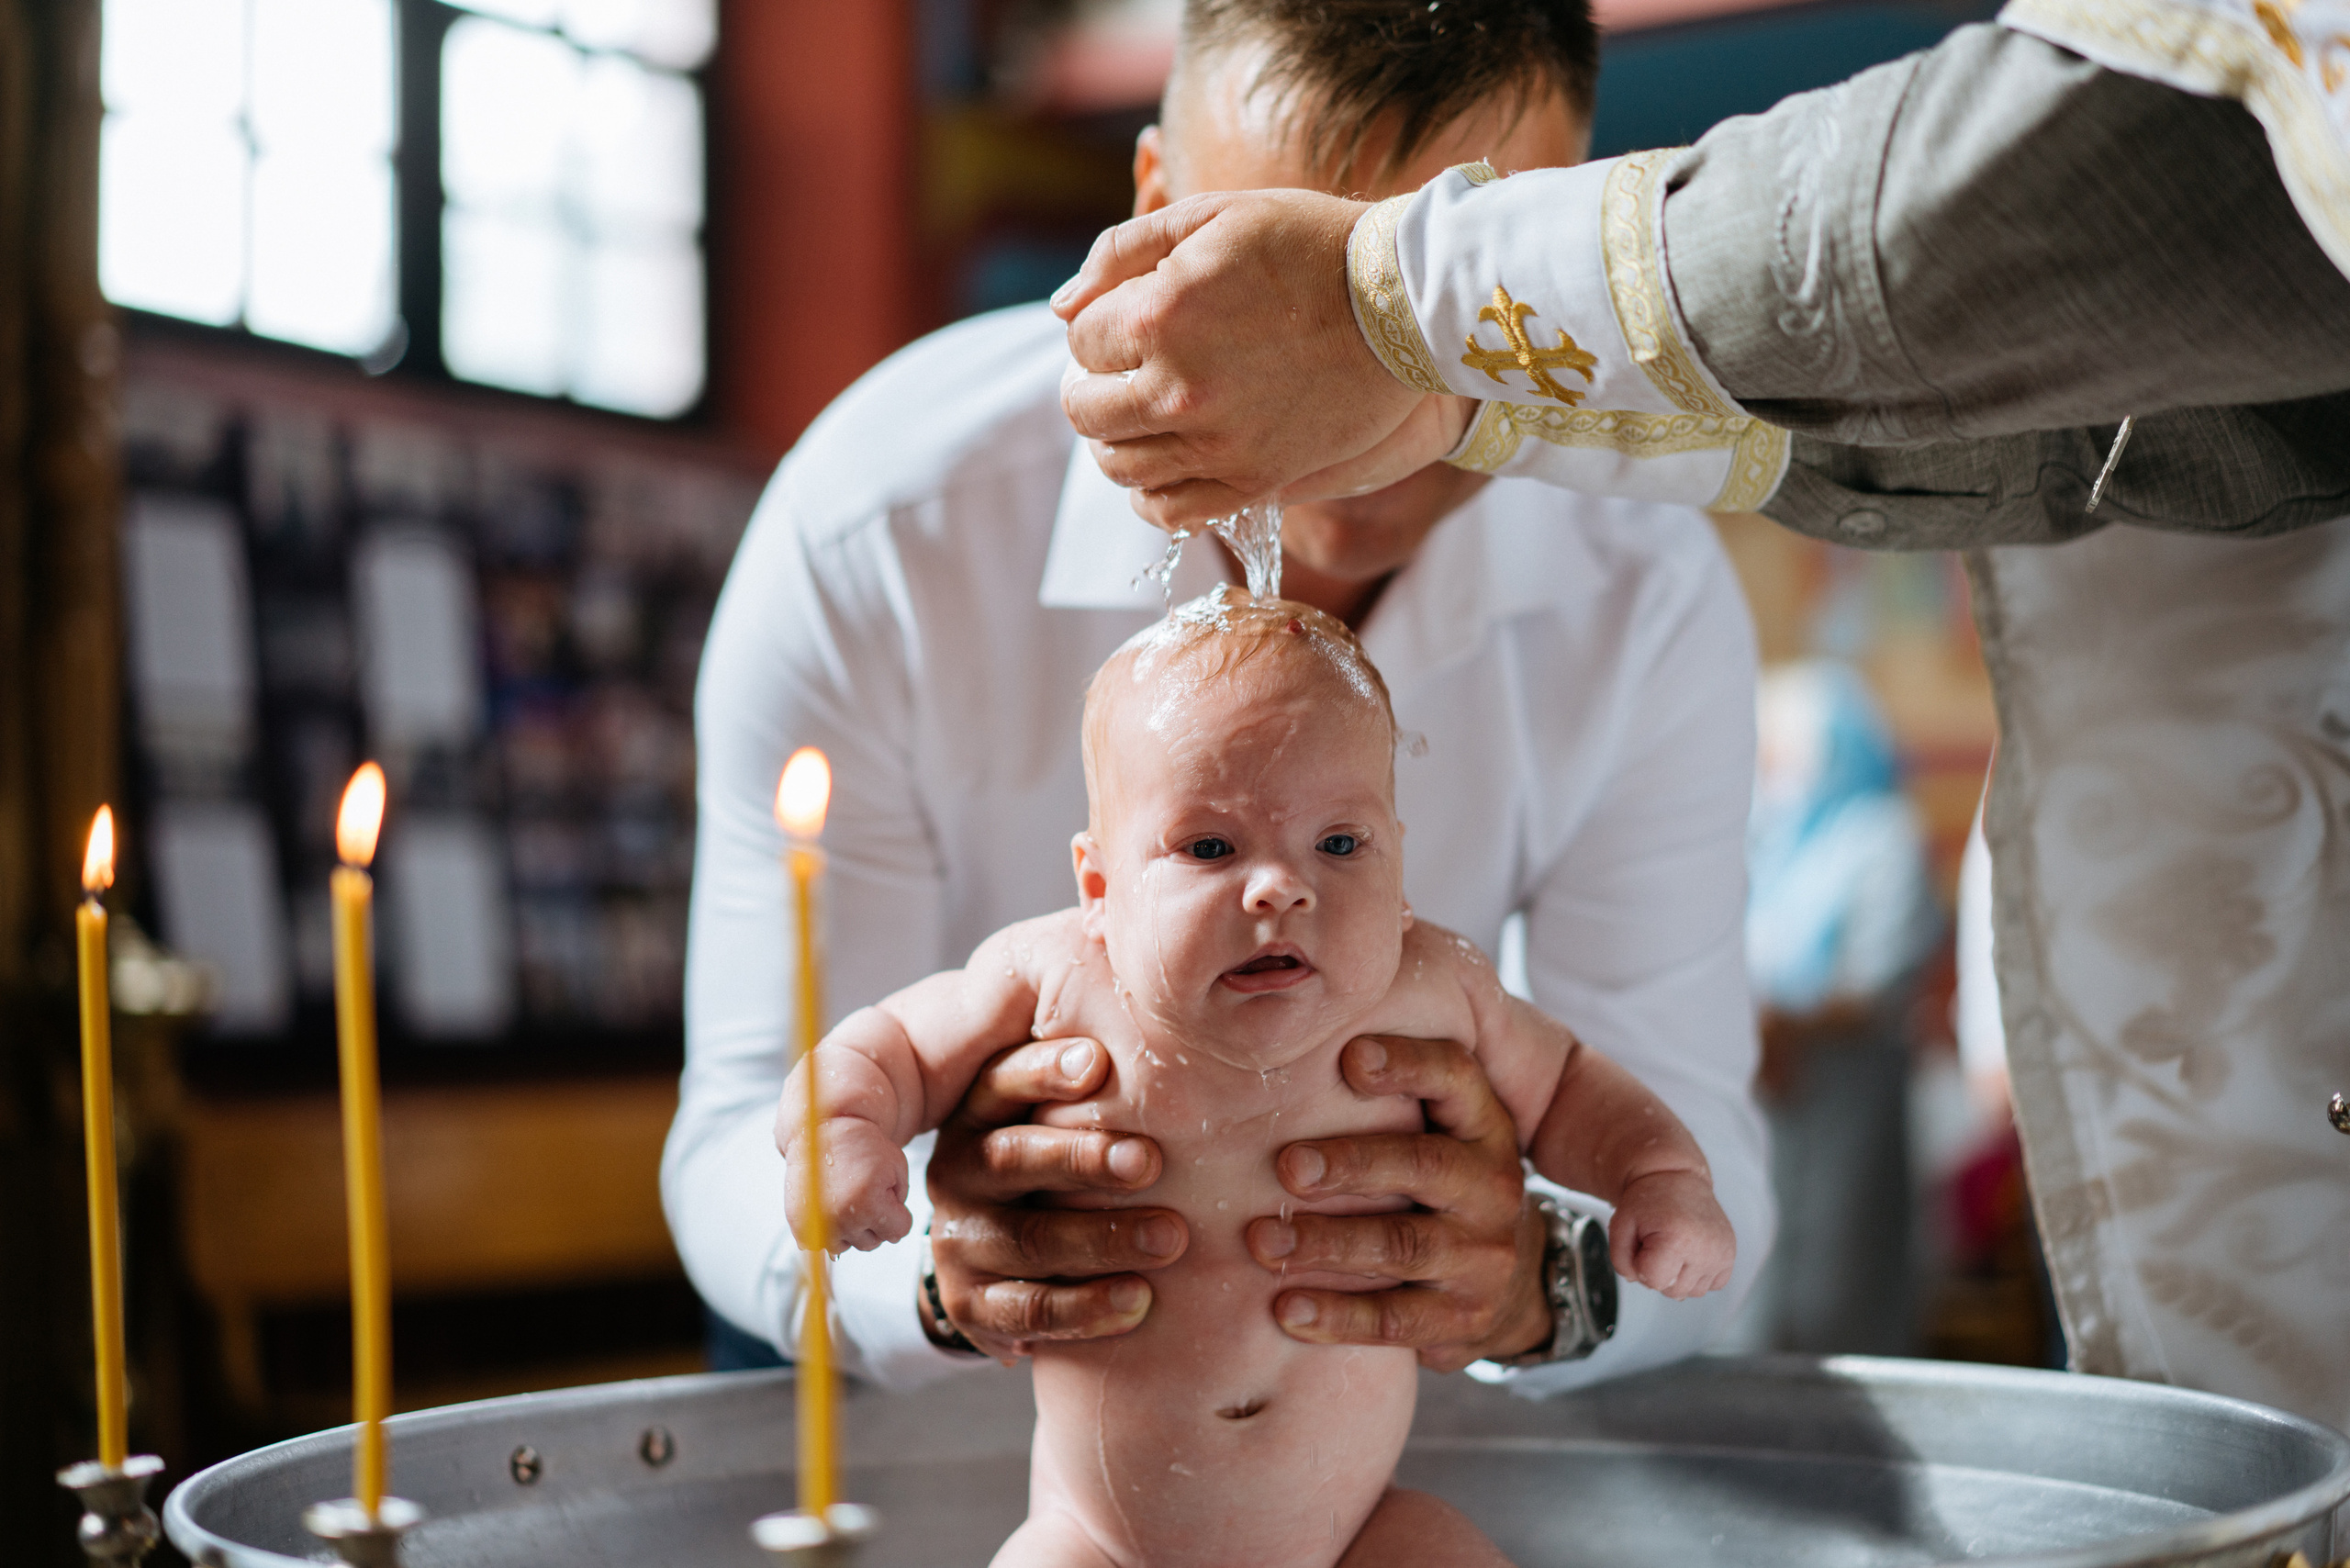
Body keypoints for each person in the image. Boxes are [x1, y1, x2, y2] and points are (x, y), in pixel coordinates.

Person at [663, 0, 1772, 1418]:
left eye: (1444, 308)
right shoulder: (881, 531)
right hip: (899, 1426)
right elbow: (746, 1141)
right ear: (1145, 220)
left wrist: (1546, 1283)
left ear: (1557, 260)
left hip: (1359, 1439)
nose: (1356, 422)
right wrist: (935, 1273)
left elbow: (1702, 1171)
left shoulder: (1645, 588)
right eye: (1274, 292)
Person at [784, 595, 1732, 1567]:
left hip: (1356, 1531)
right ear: (1099, 888)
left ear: (1398, 865)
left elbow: (1572, 1083)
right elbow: (880, 1047)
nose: (1280, 886)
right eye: (1209, 847)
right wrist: (844, 1133)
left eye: (1338, 843)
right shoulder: (1054, 977)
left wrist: (1659, 1178)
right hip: (1101, 1540)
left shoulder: (1432, 985)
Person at [1047, 7, 2350, 549]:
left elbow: (2164, 173)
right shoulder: (900, 510)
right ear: (1153, 205)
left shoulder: (1629, 553)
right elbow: (2153, 422)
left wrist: (1397, 309)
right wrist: (1451, 366)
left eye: (1485, 212)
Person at [1732, 659, 1939, 1355]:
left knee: (1845, 1270)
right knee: (1769, 1278)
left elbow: (1875, 985)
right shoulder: (1773, 842)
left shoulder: (1884, 835)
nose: (1777, 769)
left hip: (1851, 1088)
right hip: (1775, 1084)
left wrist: (1783, 1021)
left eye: (1791, 753)